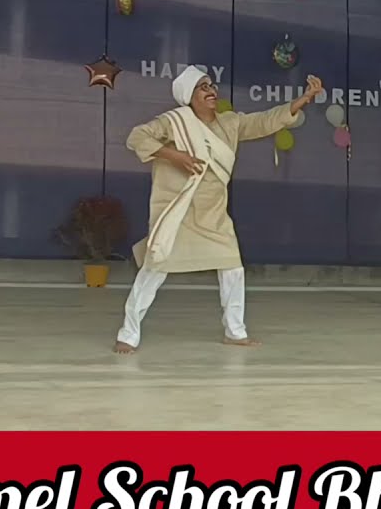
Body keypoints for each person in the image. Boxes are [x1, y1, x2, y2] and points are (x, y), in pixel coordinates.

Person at [113, 67, 323, 354]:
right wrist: (175, 155)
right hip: (180, 209)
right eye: (202, 87)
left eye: (211, 85)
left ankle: (235, 332)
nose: (211, 91)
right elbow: (137, 137)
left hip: (213, 213)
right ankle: (128, 333)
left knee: (233, 268)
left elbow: (266, 121)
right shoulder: (175, 122)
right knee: (155, 267)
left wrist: (304, 99)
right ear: (189, 96)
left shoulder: (230, 123)